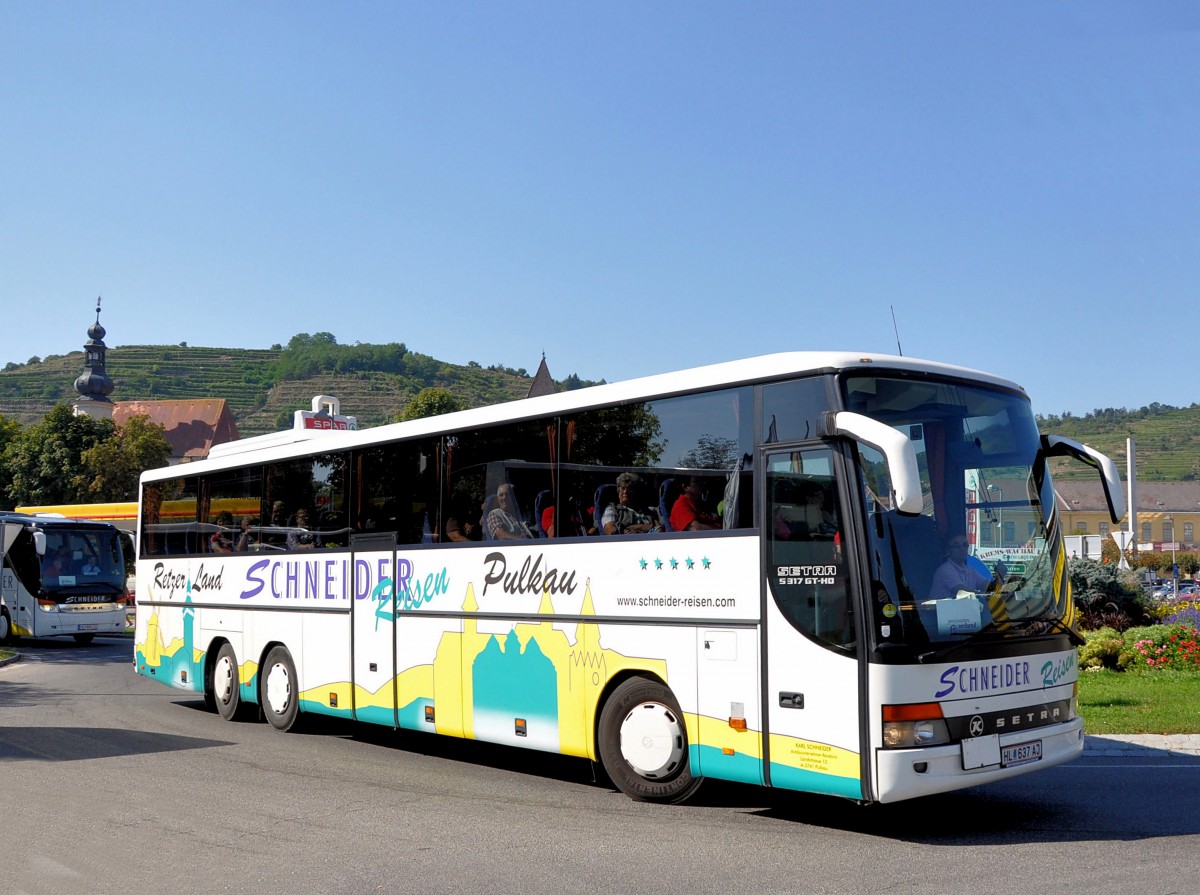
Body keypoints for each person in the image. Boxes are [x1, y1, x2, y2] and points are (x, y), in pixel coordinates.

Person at [928, 534, 1007, 599]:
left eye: (965, 545)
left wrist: (1000, 576)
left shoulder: (970, 571)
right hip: (938, 614)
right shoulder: (945, 570)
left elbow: (988, 587)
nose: (961, 548)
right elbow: (963, 592)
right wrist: (988, 595)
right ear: (948, 551)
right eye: (956, 546)